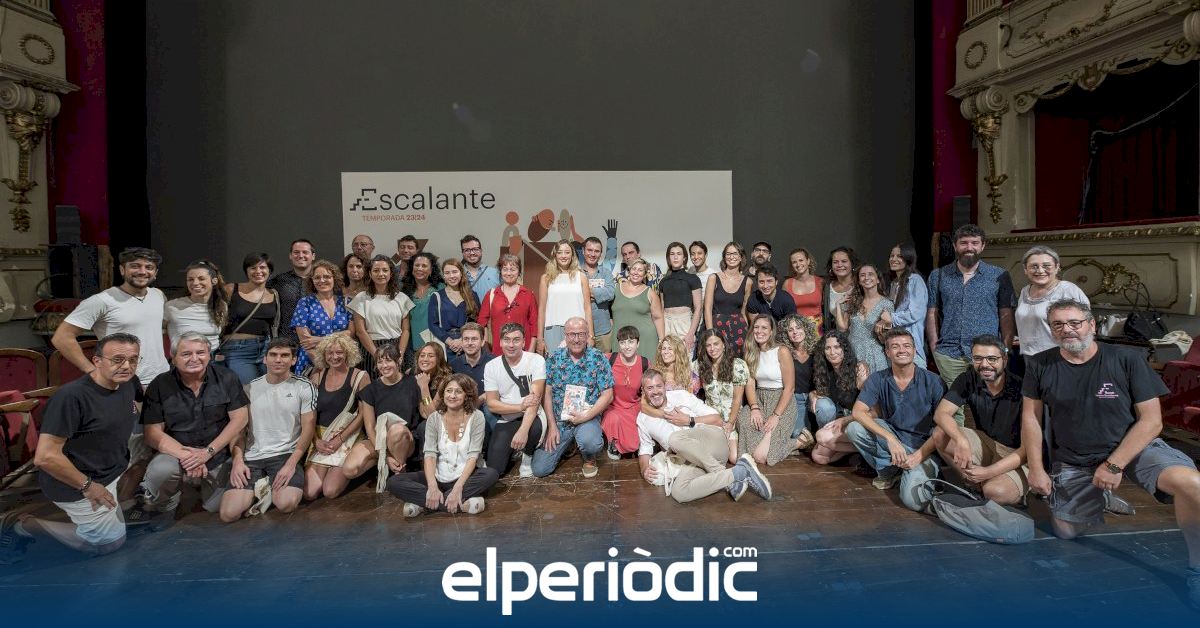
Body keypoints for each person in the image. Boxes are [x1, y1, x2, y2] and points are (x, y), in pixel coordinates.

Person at [1024, 299, 1200, 604]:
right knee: (1066, 532)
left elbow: (1152, 421)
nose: (1067, 330)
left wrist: (1114, 465)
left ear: (1092, 325)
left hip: (1133, 448)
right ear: (1051, 330)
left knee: (1192, 483)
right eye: (1058, 324)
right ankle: (1099, 496)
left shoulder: (1126, 358)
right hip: (1076, 458)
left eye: (1075, 322)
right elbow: (1031, 419)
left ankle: (1196, 570)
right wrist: (1037, 468)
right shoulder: (1039, 364)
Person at [0, 334, 143, 563]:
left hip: (110, 471)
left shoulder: (129, 382)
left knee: (122, 515)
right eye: (117, 359)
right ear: (97, 361)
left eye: (133, 359)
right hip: (77, 481)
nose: (127, 366)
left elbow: (133, 408)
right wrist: (89, 486)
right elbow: (45, 457)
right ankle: (19, 525)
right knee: (108, 543)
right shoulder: (71, 398)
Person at [129, 332, 249, 524]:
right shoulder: (159, 385)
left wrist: (207, 453)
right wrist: (190, 457)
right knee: (161, 471)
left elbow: (240, 419)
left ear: (209, 354)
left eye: (200, 352)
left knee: (220, 507)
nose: (194, 358)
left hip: (218, 453)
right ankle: (166, 503)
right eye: (186, 354)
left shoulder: (227, 377)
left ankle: (201, 490)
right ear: (174, 358)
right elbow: (152, 434)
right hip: (176, 455)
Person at [845, 329, 945, 512]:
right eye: (895, 346)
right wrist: (890, 439)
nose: (902, 350)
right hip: (895, 438)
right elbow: (858, 411)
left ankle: (912, 472)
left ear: (915, 350)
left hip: (924, 449)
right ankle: (891, 470)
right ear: (887, 352)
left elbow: (943, 429)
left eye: (907, 346)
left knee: (913, 501)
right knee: (854, 428)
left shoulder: (933, 381)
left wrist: (918, 456)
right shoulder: (878, 378)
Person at [636, 369, 772, 504]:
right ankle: (739, 472)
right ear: (643, 391)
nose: (655, 392)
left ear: (665, 386)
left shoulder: (681, 396)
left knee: (674, 439)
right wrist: (644, 469)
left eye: (659, 386)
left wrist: (689, 420)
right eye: (650, 388)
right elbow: (645, 449)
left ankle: (723, 475)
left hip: (714, 442)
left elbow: (717, 419)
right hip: (694, 461)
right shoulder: (643, 419)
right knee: (679, 492)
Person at [926, 224, 1016, 425]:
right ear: (955, 245)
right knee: (953, 410)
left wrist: (1005, 350)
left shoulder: (999, 275)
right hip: (949, 352)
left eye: (974, 243)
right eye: (964, 243)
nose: (969, 247)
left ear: (982, 246)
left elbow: (1006, 315)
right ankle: (958, 444)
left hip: (987, 354)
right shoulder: (938, 275)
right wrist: (934, 346)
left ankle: (986, 443)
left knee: (988, 405)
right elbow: (932, 312)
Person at [218, 338, 316, 521]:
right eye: (273, 355)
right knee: (228, 514)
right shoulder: (248, 389)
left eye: (284, 355)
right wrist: (237, 461)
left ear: (293, 360)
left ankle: (266, 488)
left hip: (285, 455)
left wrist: (291, 464)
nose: (278, 360)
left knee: (286, 504)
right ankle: (263, 486)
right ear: (265, 359)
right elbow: (238, 431)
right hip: (252, 457)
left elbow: (308, 429)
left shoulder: (304, 386)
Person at [930, 335, 1027, 505]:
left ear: (1004, 360)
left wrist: (989, 472)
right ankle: (973, 485)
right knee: (940, 433)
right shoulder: (968, 378)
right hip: (988, 443)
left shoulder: (1022, 387)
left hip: (1018, 455)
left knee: (995, 491)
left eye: (992, 359)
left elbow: (1027, 450)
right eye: (978, 358)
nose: (984, 364)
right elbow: (941, 414)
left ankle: (993, 483)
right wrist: (961, 440)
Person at [53, 246, 170, 387]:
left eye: (149, 267)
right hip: (124, 382)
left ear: (155, 273)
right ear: (122, 270)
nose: (142, 271)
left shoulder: (158, 295)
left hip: (162, 378)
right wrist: (92, 371)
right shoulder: (101, 301)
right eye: (135, 266)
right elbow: (61, 337)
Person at [387, 374, 500, 517]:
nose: (452, 395)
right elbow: (429, 455)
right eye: (449, 391)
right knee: (394, 482)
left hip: (466, 478)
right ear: (443, 393)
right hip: (438, 477)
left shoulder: (477, 416)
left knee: (491, 474)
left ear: (467, 395)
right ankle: (461, 505)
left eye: (458, 391)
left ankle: (425, 505)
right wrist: (432, 487)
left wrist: (458, 488)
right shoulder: (434, 418)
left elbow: (473, 456)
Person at [534, 317, 614, 478]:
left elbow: (608, 395)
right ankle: (570, 444)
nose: (576, 339)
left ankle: (589, 457)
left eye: (581, 334)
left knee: (591, 442)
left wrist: (586, 416)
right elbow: (547, 393)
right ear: (565, 335)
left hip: (587, 418)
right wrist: (551, 425)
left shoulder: (598, 358)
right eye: (572, 334)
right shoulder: (554, 358)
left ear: (588, 335)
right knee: (540, 469)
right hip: (560, 422)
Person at [302, 334, 370, 500]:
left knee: (330, 491)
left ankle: (361, 465)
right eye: (330, 353)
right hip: (321, 437)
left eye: (339, 352)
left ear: (348, 353)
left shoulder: (360, 376)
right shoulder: (317, 376)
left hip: (347, 436)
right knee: (310, 493)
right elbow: (308, 414)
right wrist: (316, 441)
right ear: (323, 355)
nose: (334, 357)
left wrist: (340, 439)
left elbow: (363, 414)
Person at [482, 322, 547, 476]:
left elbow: (535, 400)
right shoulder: (491, 366)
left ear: (524, 342)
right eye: (507, 340)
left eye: (516, 340)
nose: (511, 345)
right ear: (500, 342)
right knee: (495, 469)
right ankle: (513, 449)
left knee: (533, 429)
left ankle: (527, 455)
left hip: (534, 415)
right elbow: (492, 404)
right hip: (508, 417)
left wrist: (523, 431)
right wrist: (520, 407)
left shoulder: (536, 360)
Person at [1014, 245, 1088, 373]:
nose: (1040, 270)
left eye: (1046, 266)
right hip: (1029, 358)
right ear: (1025, 269)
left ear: (1057, 267)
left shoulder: (1068, 290)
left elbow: (1085, 328)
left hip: (1059, 359)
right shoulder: (1025, 291)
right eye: (1034, 266)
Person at [355, 343, 424, 482]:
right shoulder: (370, 390)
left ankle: (400, 476)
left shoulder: (413, 383)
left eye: (388, 360)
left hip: (406, 439)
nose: (384, 366)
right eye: (380, 362)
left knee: (397, 430)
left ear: (399, 361)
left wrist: (425, 389)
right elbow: (370, 428)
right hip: (380, 440)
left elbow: (425, 414)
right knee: (350, 469)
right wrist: (385, 456)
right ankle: (387, 465)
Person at [737, 316, 797, 466]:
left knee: (761, 457)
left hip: (781, 401)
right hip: (760, 399)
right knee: (744, 421)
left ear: (771, 332)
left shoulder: (782, 351)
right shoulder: (751, 351)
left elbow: (790, 388)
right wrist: (754, 408)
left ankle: (800, 442)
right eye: (756, 327)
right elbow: (750, 384)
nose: (759, 331)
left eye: (764, 328)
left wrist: (776, 416)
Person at [811, 330, 872, 465]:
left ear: (844, 349)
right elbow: (818, 392)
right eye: (828, 348)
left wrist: (846, 420)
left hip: (858, 421)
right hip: (840, 421)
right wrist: (812, 395)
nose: (832, 352)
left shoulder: (858, 369)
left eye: (837, 347)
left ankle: (869, 450)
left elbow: (871, 409)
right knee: (818, 456)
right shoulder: (825, 371)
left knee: (821, 437)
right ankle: (856, 451)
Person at [219, 253, 280, 384]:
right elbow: (214, 314)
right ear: (246, 271)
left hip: (266, 349)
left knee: (268, 389)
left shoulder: (274, 294)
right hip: (238, 350)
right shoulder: (231, 289)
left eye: (262, 267)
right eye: (253, 268)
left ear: (269, 270)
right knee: (248, 389)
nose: (258, 271)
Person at [349, 254, 415, 375]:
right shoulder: (361, 298)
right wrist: (376, 355)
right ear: (370, 274)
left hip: (396, 348)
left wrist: (400, 354)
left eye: (385, 270)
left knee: (396, 384)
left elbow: (406, 330)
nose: (381, 274)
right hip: (371, 349)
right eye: (376, 270)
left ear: (391, 273)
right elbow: (360, 331)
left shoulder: (402, 298)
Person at [290, 259, 352, 374]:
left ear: (334, 279)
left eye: (327, 277)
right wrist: (326, 369)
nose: (322, 280)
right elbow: (306, 343)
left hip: (343, 361)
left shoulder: (346, 302)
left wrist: (320, 339)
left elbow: (350, 334)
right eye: (317, 277)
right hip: (312, 363)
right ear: (312, 281)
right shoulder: (305, 303)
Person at [835, 262, 893, 373]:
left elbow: (887, 338)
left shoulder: (887, 304)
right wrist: (838, 305)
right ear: (859, 281)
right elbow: (843, 327)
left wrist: (886, 324)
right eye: (862, 275)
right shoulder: (853, 301)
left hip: (875, 355)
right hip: (853, 352)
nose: (866, 277)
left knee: (876, 383)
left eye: (870, 274)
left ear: (878, 279)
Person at [537, 239, 594, 354]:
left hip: (578, 329)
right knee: (555, 364)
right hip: (552, 330)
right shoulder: (546, 278)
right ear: (555, 255)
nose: (563, 256)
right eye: (560, 252)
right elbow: (542, 309)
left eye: (567, 252)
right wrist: (540, 338)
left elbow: (587, 308)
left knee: (578, 364)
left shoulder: (581, 277)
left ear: (572, 255)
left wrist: (591, 335)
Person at [602, 326, 649, 460]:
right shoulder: (609, 359)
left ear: (638, 343)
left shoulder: (644, 363)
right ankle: (613, 443)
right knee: (613, 418)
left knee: (632, 445)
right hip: (613, 407)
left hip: (634, 407)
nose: (627, 346)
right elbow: (589, 357)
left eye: (631, 342)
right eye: (622, 342)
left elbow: (649, 389)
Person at [477, 253, 539, 351]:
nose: (509, 273)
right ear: (500, 271)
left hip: (523, 351)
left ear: (519, 272)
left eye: (513, 269)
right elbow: (481, 323)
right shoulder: (491, 294)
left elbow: (534, 325)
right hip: (498, 351)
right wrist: (486, 348)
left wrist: (531, 351)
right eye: (505, 269)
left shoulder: (528, 295)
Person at [448, 323, 497, 444]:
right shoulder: (454, 365)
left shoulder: (494, 362)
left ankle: (496, 446)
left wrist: (478, 401)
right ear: (462, 342)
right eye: (466, 339)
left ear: (482, 342)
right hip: (462, 408)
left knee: (489, 409)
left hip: (487, 408)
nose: (469, 343)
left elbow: (499, 391)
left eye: (474, 339)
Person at [165, 259, 226, 354]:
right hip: (185, 359)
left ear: (214, 281)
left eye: (201, 279)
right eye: (190, 279)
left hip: (214, 359)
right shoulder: (172, 306)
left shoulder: (221, 305)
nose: (195, 283)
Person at [611, 257, 664, 361]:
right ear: (629, 270)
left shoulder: (650, 293)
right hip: (621, 339)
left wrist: (662, 340)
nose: (636, 272)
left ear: (644, 274)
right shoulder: (615, 288)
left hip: (645, 340)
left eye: (640, 270)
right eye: (634, 269)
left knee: (645, 369)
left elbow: (658, 318)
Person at [693, 329, 749, 428]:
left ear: (723, 344)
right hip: (710, 418)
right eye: (708, 345)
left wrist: (730, 423)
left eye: (716, 344)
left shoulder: (737, 365)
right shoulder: (699, 365)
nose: (712, 348)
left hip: (733, 418)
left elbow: (737, 399)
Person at [705, 242, 753, 353]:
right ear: (724, 257)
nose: (731, 257)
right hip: (717, 329)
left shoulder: (748, 282)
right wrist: (710, 333)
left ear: (741, 257)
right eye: (728, 254)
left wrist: (748, 335)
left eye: (735, 253)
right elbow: (707, 308)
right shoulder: (713, 278)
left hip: (739, 331)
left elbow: (744, 312)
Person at [779, 314, 818, 450]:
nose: (795, 332)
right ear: (786, 334)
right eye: (790, 330)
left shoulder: (817, 350)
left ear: (806, 329)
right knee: (796, 433)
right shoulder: (785, 353)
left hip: (814, 397)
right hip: (796, 399)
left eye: (798, 327)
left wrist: (816, 392)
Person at [886, 243, 928, 367]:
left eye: (899, 256)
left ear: (908, 258)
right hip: (895, 343)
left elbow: (915, 313)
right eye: (892, 256)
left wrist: (891, 318)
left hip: (911, 344)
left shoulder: (915, 280)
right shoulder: (894, 283)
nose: (894, 259)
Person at [429, 258, 480, 358]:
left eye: (454, 272)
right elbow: (432, 324)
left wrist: (462, 340)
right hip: (444, 343)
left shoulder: (472, 295)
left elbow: (477, 321)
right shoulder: (437, 296)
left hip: (467, 343)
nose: (451, 276)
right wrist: (450, 342)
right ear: (444, 276)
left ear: (461, 273)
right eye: (447, 273)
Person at [658, 242, 703, 354]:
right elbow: (662, 309)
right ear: (668, 258)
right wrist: (661, 335)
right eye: (672, 254)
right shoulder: (663, 281)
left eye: (679, 254)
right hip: (667, 323)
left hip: (685, 323)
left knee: (686, 359)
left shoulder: (693, 279)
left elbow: (698, 308)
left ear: (684, 258)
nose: (675, 257)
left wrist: (691, 333)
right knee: (668, 359)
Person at [268, 239, 315, 343]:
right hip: (286, 341)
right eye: (296, 252)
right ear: (290, 256)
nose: (301, 256)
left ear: (313, 256)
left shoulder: (323, 281)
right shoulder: (279, 281)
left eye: (305, 252)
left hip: (317, 339)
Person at [402, 252, 444, 360]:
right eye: (417, 265)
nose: (420, 268)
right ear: (412, 268)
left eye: (424, 266)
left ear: (431, 270)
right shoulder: (404, 290)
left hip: (437, 343)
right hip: (412, 346)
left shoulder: (441, 288)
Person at [581, 236, 618, 352]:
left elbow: (610, 293)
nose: (593, 254)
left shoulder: (606, 273)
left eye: (596, 251)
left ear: (601, 253)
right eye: (589, 250)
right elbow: (574, 296)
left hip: (604, 331)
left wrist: (586, 292)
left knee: (606, 361)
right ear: (583, 251)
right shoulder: (576, 273)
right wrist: (600, 294)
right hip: (581, 331)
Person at [783, 248, 824, 334]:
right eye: (794, 262)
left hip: (817, 330)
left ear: (808, 261)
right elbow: (783, 309)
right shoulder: (787, 284)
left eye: (801, 260)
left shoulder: (820, 282)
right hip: (796, 331)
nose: (798, 264)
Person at [821, 246, 857, 335]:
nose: (840, 265)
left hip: (860, 337)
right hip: (838, 338)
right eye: (835, 262)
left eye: (844, 261)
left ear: (852, 264)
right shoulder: (827, 287)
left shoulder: (860, 285)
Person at [460, 234, 500, 302]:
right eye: (467, 250)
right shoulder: (457, 275)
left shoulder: (496, 273)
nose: (472, 253)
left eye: (475, 249)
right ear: (462, 253)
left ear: (481, 251)